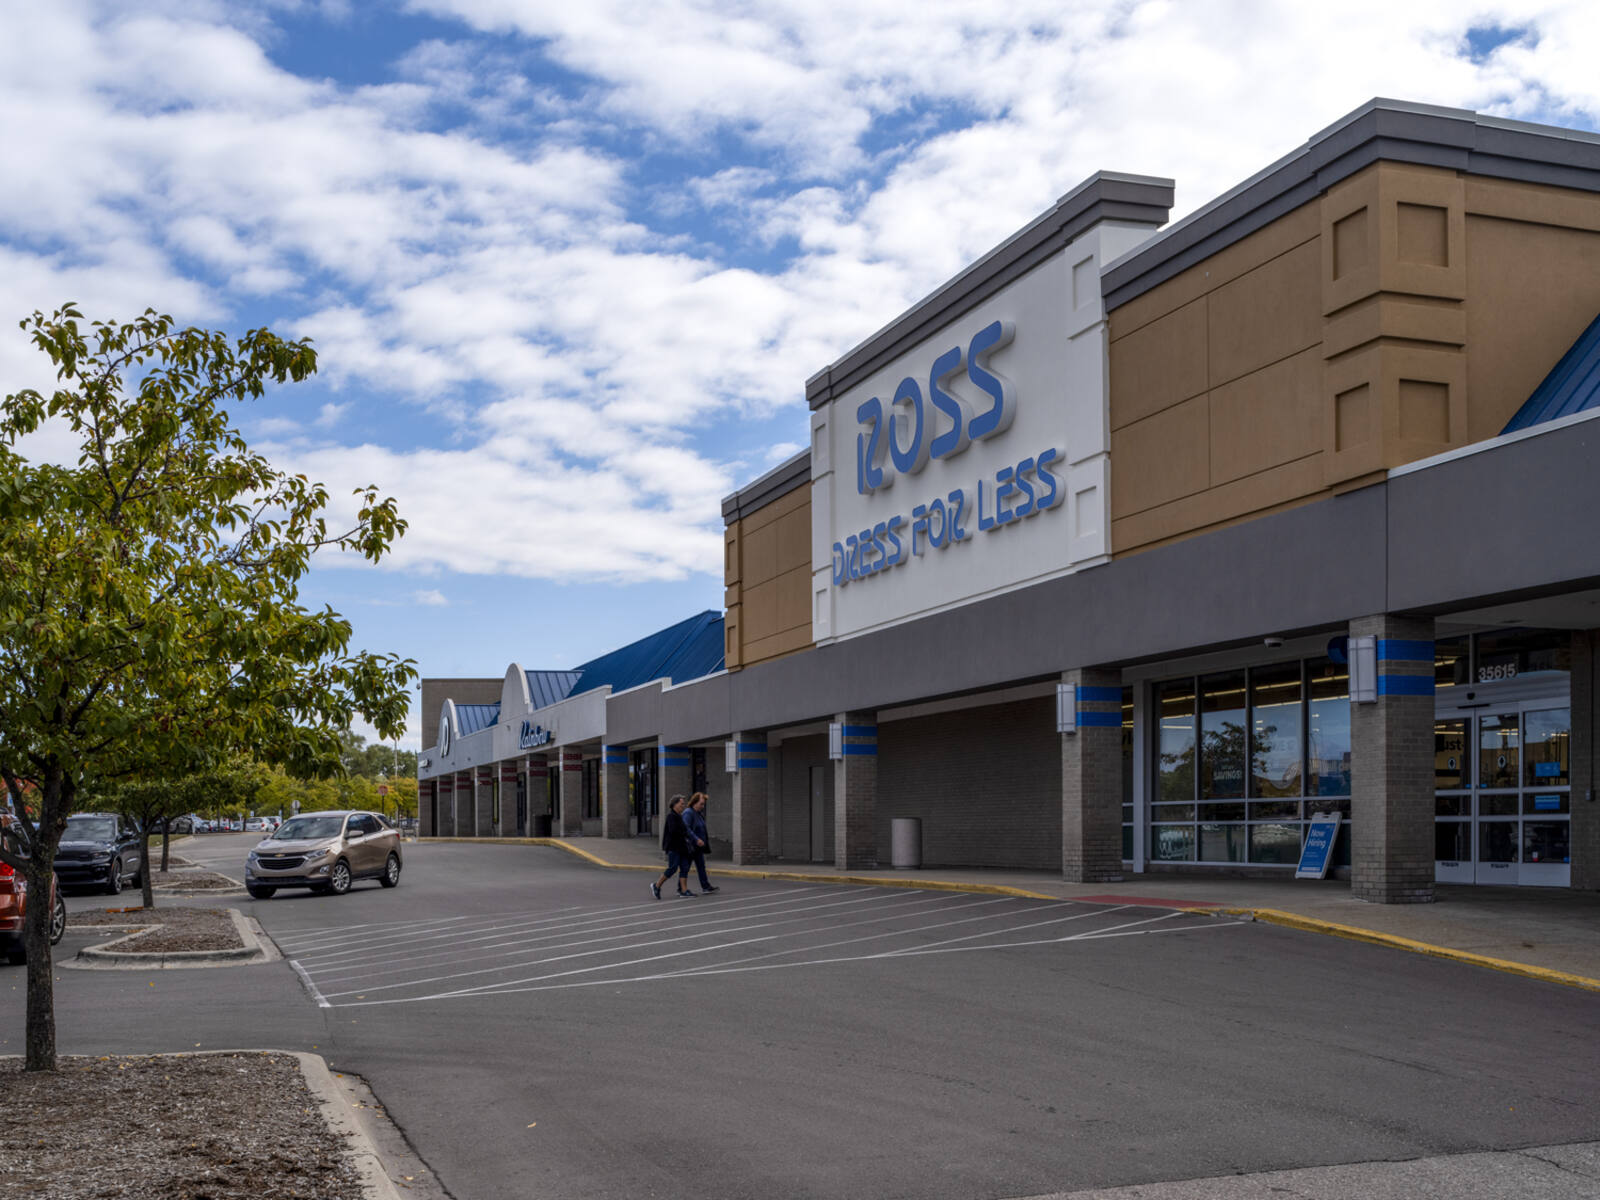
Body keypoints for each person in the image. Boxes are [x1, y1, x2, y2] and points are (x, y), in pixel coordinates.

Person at [651, 794, 695, 899]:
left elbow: (684, 830)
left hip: (682, 847)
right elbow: (673, 830)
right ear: (675, 804)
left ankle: (684, 890)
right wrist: (684, 832)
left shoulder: (679, 816)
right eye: (681, 804)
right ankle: (656, 885)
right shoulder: (671, 816)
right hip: (674, 847)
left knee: (684, 868)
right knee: (673, 868)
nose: (683, 806)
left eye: (683, 804)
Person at [683, 791, 718, 894]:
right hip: (690, 846)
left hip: (698, 847)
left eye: (703, 804)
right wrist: (696, 839)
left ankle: (705, 886)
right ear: (694, 802)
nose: (702, 806)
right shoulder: (688, 813)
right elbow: (686, 828)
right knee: (685, 867)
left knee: (701, 866)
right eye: (701, 804)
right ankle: (680, 888)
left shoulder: (698, 813)